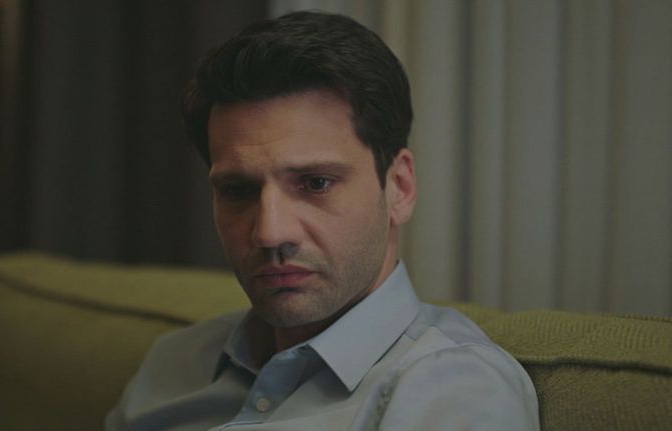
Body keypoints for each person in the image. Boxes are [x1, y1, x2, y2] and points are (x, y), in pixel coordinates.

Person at [106, 11, 539, 430]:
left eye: (316, 183)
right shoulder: (173, 363)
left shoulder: (453, 389)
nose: (270, 232)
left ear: (400, 188)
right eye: (238, 190)